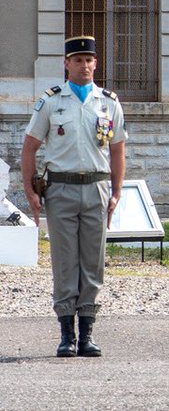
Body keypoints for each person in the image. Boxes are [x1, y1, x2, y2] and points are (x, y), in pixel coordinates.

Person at [21, 36, 127, 358]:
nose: (84, 65)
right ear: (66, 64)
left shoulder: (108, 103)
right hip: (62, 190)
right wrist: (30, 191)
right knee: (65, 262)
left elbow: (117, 150)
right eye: (77, 60)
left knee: (92, 263)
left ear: (96, 63)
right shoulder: (52, 102)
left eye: (88, 60)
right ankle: (66, 334)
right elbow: (29, 148)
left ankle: (87, 336)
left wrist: (117, 192)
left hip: (96, 188)